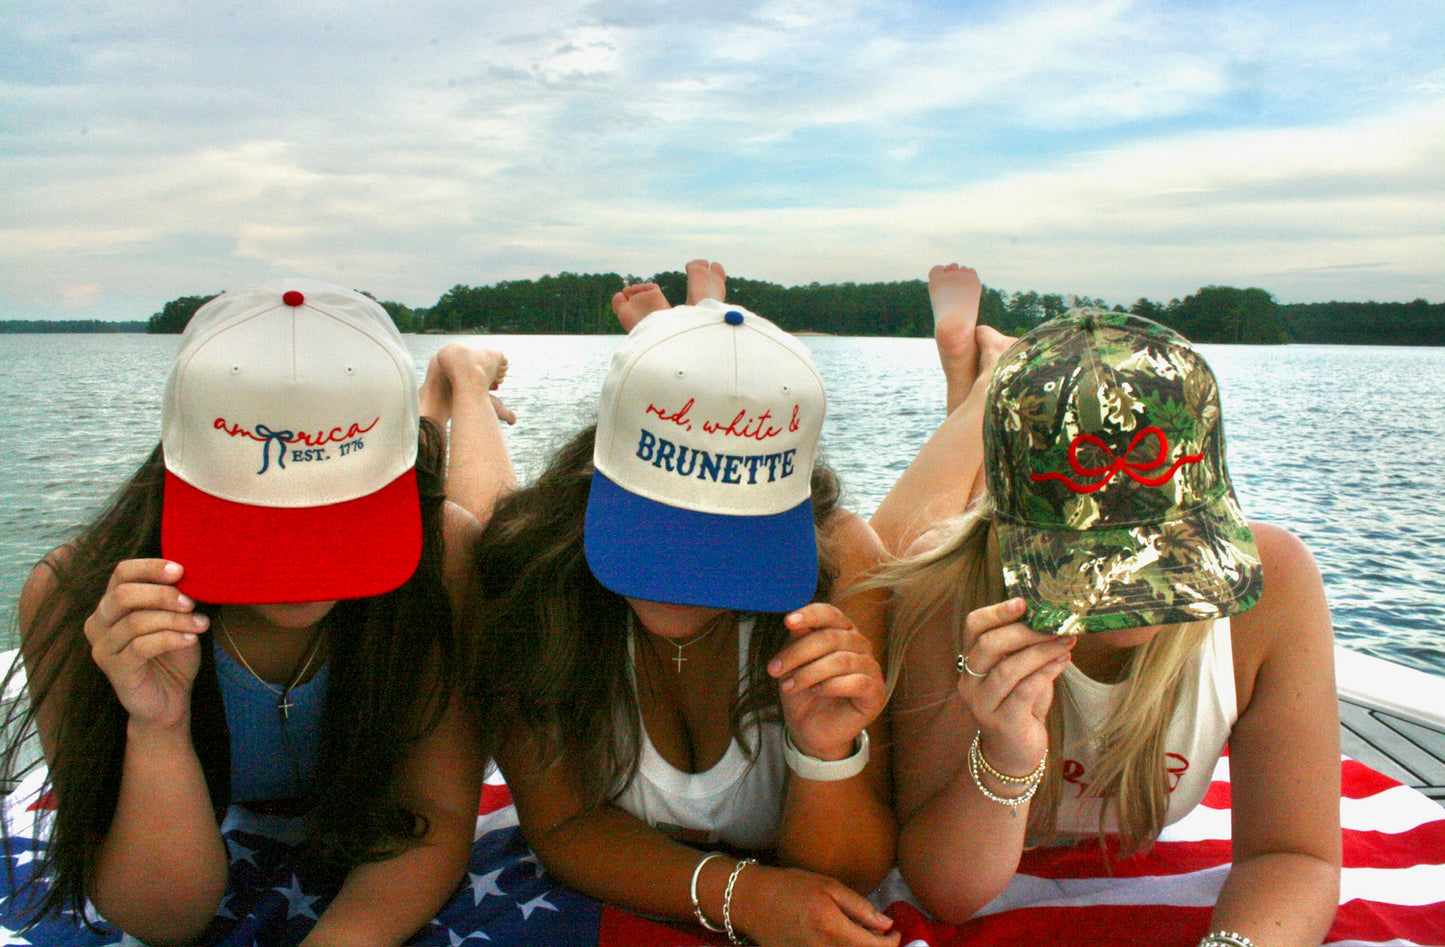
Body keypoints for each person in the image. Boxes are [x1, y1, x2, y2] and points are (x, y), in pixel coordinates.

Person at [2, 281, 515, 945]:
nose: (300, 568)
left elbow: (429, 821)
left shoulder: (443, 555)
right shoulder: (71, 595)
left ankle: (462, 383)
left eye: (336, 520)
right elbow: (163, 919)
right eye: (258, 523)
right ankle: (432, 405)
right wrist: (157, 728)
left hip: (438, 516)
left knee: (492, 530)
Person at [871, 265, 1341, 946]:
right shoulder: (944, 591)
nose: (1128, 586)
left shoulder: (1276, 586)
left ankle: (989, 389)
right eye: (1091, 553)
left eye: (1160, 548)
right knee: (886, 561)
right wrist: (1006, 753)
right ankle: (979, 392)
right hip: (962, 552)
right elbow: (947, 892)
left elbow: (1295, 855)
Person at [461, 261, 900, 947]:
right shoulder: (533, 568)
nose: (684, 581)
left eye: (728, 538)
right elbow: (561, 823)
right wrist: (742, 894)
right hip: (542, 523)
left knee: (907, 546)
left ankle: (682, 341)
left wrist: (825, 752)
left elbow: (848, 874)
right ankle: (465, 382)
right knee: (475, 527)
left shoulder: (842, 560)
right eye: (662, 527)